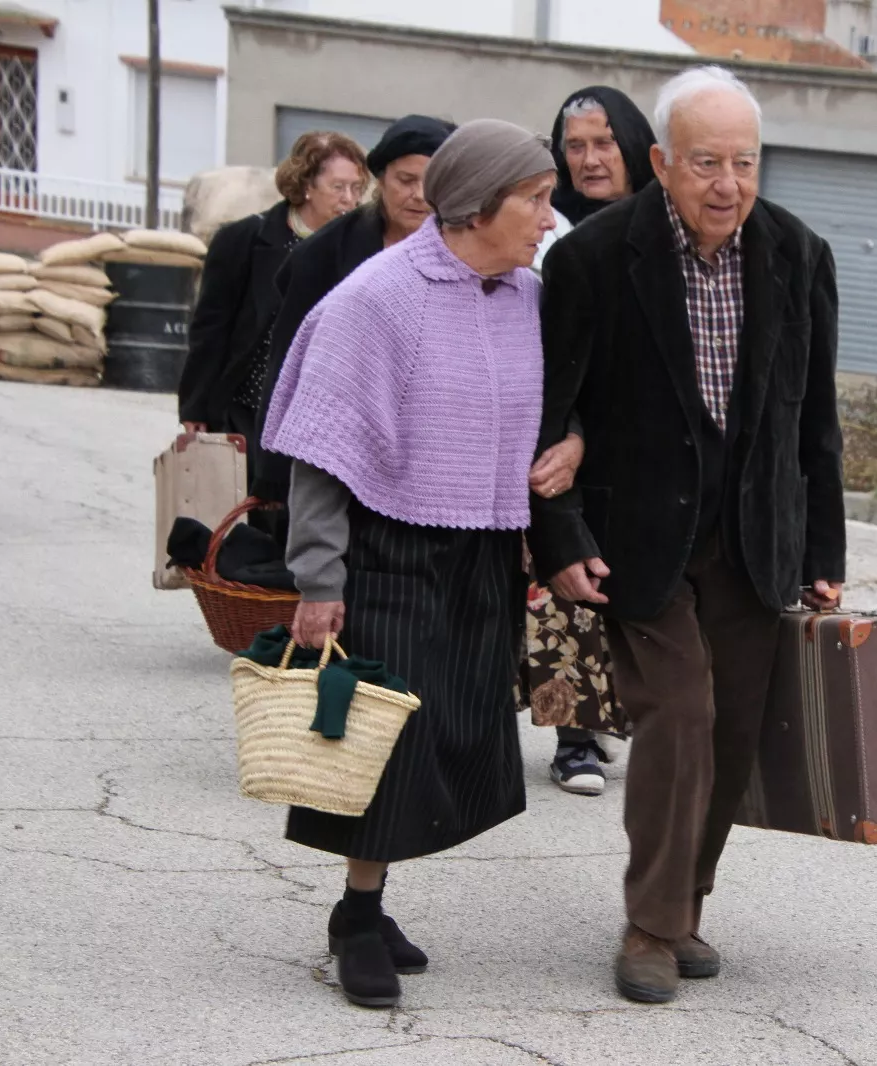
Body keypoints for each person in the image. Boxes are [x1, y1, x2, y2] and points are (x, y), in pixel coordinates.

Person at [530, 66, 846, 1005]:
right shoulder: (594, 260)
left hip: (756, 537)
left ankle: (686, 906)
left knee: (737, 731)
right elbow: (552, 412)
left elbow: (815, 421)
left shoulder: (798, 253)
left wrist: (824, 553)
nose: (726, 184)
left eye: (743, 163)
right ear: (660, 162)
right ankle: (650, 925)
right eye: (705, 162)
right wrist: (559, 534)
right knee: (681, 714)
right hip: (638, 537)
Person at [263, 119, 558, 1009]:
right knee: (382, 745)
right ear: (477, 205)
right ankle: (356, 916)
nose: (549, 220)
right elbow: (321, 450)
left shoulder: (527, 299)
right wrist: (319, 581)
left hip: (483, 552)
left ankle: (374, 899)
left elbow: (558, 415)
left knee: (451, 735)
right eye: (537, 201)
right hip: (389, 549)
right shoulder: (379, 297)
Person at [525, 86, 658, 797]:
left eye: (603, 142)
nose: (588, 158)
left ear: (633, 144)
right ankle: (571, 737)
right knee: (565, 583)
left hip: (644, 441)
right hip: (565, 431)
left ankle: (616, 712)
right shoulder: (547, 229)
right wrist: (571, 436)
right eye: (573, 145)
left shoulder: (666, 226)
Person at [250, 115, 456, 505]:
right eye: (405, 180)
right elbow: (288, 360)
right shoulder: (325, 254)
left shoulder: (463, 253)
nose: (419, 195)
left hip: (428, 451)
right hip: (338, 442)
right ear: (380, 180)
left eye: (431, 182)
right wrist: (274, 476)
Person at [179, 132, 368, 474]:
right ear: (306, 184)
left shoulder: (359, 252)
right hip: (245, 411)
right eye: (338, 187)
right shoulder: (243, 240)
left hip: (315, 420)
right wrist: (195, 407)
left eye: (357, 188)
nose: (350, 199)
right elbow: (211, 328)